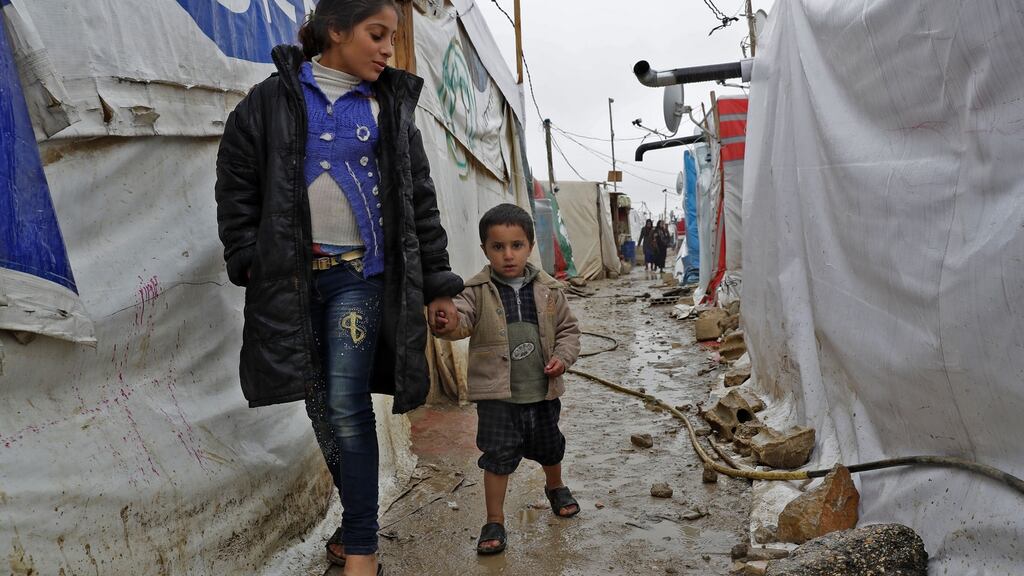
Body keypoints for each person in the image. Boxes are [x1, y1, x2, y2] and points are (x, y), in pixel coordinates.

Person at [214, 1, 463, 574]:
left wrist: (439, 286)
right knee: (322, 409)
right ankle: (356, 529)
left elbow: (419, 204)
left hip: (360, 279)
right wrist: (248, 256)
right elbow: (236, 181)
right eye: (377, 35)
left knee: (348, 405)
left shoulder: (388, 110)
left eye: (392, 38)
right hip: (294, 284)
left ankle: (363, 552)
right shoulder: (267, 104)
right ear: (335, 32)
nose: (386, 49)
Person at [439, 203, 582, 555]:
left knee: (550, 446)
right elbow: (463, 322)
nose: (507, 255)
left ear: (529, 246)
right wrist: (448, 321)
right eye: (498, 247)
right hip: (497, 398)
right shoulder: (475, 292)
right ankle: (495, 520)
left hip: (541, 391)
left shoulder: (550, 290)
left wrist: (562, 359)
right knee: (497, 456)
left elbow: (568, 331)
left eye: (516, 245)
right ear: (485, 249)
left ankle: (556, 486)